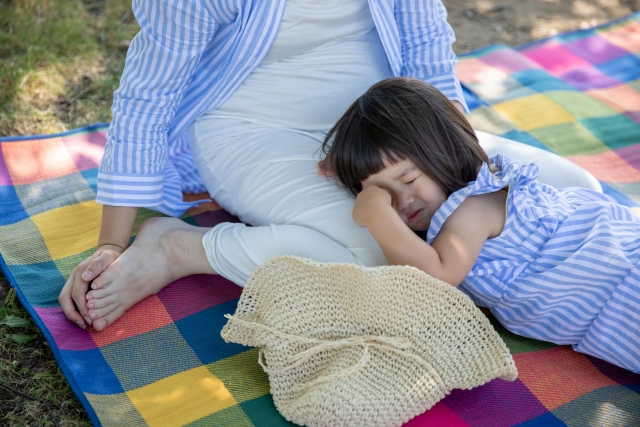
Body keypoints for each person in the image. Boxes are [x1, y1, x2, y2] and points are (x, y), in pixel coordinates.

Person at [58, 0, 601, 333]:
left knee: (573, 185)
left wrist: (457, 164)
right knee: (384, 257)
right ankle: (180, 248)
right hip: (253, 127)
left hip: (385, 124)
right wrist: (111, 244)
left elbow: (427, 52)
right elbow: (148, 97)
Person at [321, 77, 640, 373]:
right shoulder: (458, 211)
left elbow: (436, 277)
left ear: (445, 150)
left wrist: (377, 213)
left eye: (409, 179)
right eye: (385, 194)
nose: (401, 201)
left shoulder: (473, 206)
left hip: (621, 285)